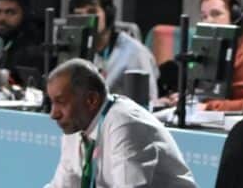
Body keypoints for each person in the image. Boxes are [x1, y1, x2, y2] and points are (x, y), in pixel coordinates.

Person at [44, 58, 195, 188]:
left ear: (91, 100)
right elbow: (64, 184)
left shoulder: (125, 125)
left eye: (61, 102)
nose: (53, 114)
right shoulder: (76, 127)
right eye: (52, 103)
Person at [68, 0, 159, 102]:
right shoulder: (72, 52)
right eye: (79, 15)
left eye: (92, 12)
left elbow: (149, 101)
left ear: (108, 14)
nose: (86, 19)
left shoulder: (135, 53)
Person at [0, 0, 43, 73]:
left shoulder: (32, 53)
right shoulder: (8, 47)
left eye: (10, 12)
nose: (2, 18)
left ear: (26, 15)